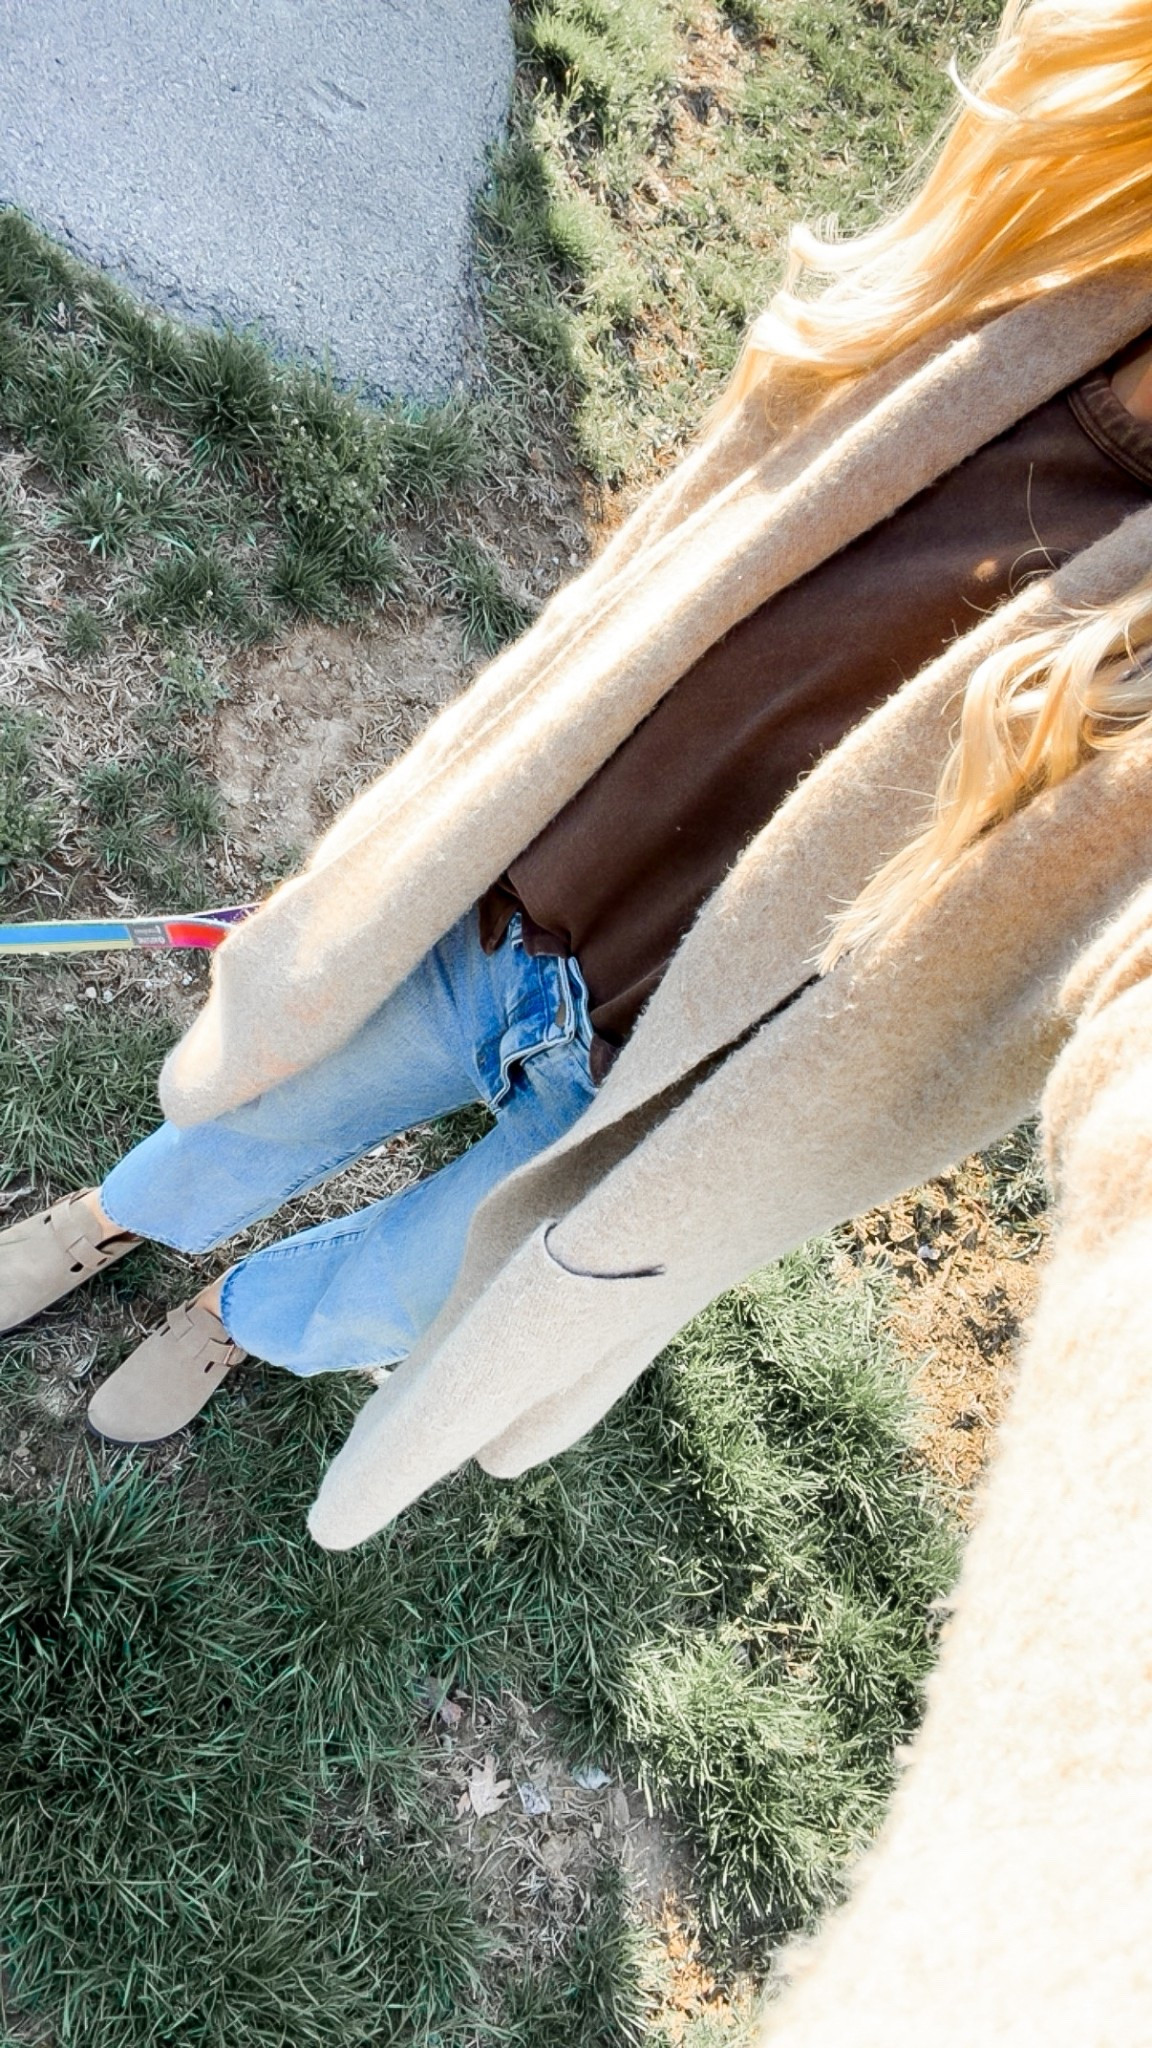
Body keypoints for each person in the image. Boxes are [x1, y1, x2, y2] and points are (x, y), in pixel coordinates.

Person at [0, 0, 1148, 1501]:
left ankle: (240, 1318)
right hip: (526, 893)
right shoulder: (1015, 285)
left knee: (421, 1287)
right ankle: (128, 1216)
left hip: (678, 1071)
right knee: (274, 1100)